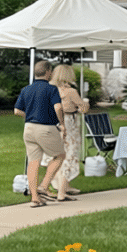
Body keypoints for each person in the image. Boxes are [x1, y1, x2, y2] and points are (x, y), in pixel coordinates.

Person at [13, 61, 67, 208]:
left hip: (29, 128)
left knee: (33, 162)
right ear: (48, 72)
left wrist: (30, 116)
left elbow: (17, 111)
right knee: (60, 155)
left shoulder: (26, 89)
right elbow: (57, 107)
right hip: (46, 128)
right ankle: (43, 185)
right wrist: (62, 124)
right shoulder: (51, 89)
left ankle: (35, 198)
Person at [44, 64, 90, 200]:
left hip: (52, 124)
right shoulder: (70, 91)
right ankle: (61, 193)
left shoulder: (48, 90)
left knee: (56, 155)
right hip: (69, 123)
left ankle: (64, 187)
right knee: (68, 156)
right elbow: (83, 108)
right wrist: (85, 103)